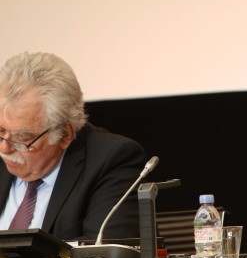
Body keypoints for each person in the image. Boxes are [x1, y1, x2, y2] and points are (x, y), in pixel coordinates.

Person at [0, 52, 147, 241]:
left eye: (22, 138)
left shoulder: (111, 161)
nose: (4, 149)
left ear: (64, 134)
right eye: (1, 131)